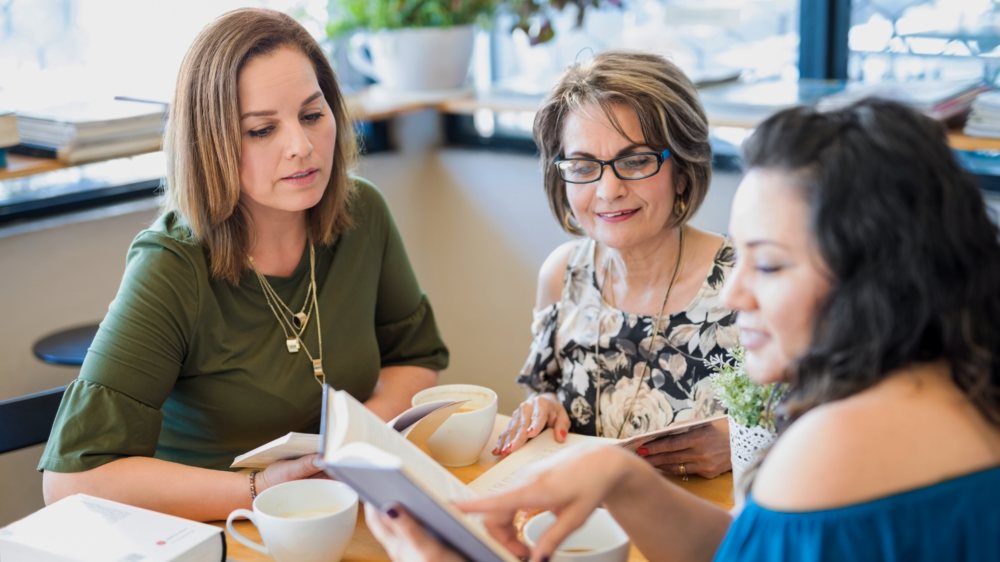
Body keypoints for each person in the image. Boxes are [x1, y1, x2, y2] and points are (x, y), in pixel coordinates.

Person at [369, 97, 1000, 561]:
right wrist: (623, 480)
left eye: (769, 264)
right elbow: (749, 550)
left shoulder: (830, 453)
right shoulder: (964, 395)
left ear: (877, 275)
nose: (735, 291)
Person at [38, 8, 448, 521]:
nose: (301, 147)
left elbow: (416, 357)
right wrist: (259, 489)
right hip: (218, 529)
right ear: (210, 144)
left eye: (312, 115)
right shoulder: (171, 266)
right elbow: (71, 481)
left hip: (335, 511)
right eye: (261, 130)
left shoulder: (362, 213)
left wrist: (349, 447)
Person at [493, 50, 739, 479]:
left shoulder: (746, 282)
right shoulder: (561, 276)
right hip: (589, 515)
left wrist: (744, 441)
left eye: (636, 161)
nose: (609, 190)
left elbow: (821, 429)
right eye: (583, 165)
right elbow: (546, 393)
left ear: (683, 170)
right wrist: (544, 410)